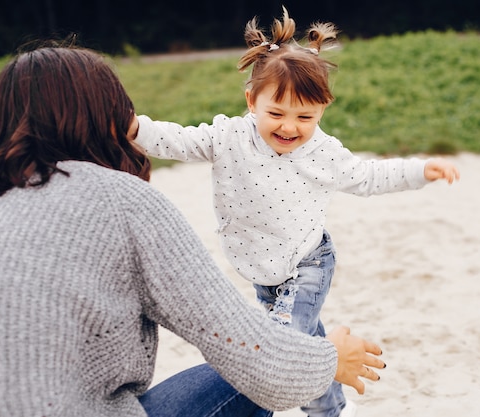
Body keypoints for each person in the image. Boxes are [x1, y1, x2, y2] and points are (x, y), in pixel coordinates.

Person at [0, 43, 387, 417]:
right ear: (113, 116)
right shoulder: (124, 202)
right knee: (254, 371)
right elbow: (250, 353)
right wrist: (329, 358)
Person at [129, 8, 459, 417]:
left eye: (305, 116)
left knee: (284, 355)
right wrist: (133, 128)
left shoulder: (323, 152)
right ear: (252, 101)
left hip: (307, 264)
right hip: (264, 272)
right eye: (277, 114)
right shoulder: (227, 138)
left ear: (323, 108)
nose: (290, 127)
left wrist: (419, 171)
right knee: (307, 347)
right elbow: (176, 140)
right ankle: (334, 408)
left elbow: (368, 176)